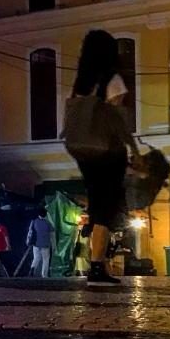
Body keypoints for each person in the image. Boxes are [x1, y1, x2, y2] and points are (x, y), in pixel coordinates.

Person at [62, 30, 141, 287]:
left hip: (84, 151)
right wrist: (133, 151)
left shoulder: (82, 83)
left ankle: (98, 264)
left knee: (97, 205)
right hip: (108, 150)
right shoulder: (112, 79)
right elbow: (117, 120)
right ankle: (97, 265)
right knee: (107, 208)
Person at [27, 208, 55, 277]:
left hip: (36, 244)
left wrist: (28, 241)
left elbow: (30, 232)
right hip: (46, 244)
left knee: (36, 258)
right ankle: (44, 275)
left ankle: (32, 269)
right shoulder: (48, 223)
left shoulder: (34, 222)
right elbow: (52, 235)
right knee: (46, 260)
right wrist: (54, 245)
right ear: (45, 215)